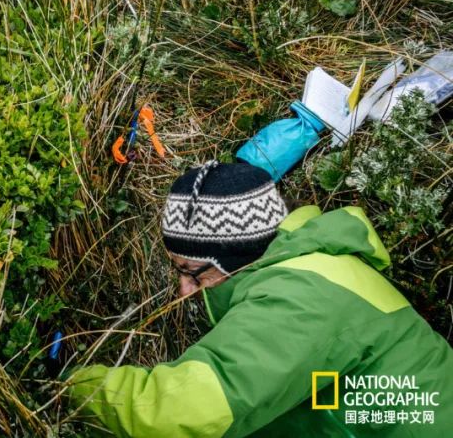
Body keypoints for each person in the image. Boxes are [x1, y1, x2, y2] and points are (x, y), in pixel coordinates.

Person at [66, 160, 452, 437]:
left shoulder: (298, 301)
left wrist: (71, 389)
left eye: (192, 272)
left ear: (235, 257)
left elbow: (180, 412)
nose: (184, 291)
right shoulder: (308, 263)